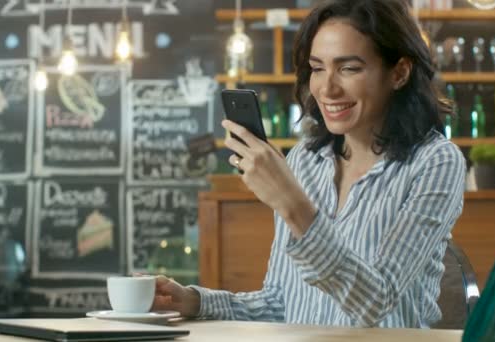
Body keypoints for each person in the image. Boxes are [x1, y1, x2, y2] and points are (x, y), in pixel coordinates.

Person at [152, 0, 466, 328]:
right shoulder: (305, 159)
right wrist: (193, 300)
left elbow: (377, 303)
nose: (327, 88)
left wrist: (293, 205)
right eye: (317, 68)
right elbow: (280, 303)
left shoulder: (435, 162)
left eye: (348, 68)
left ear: (399, 72)